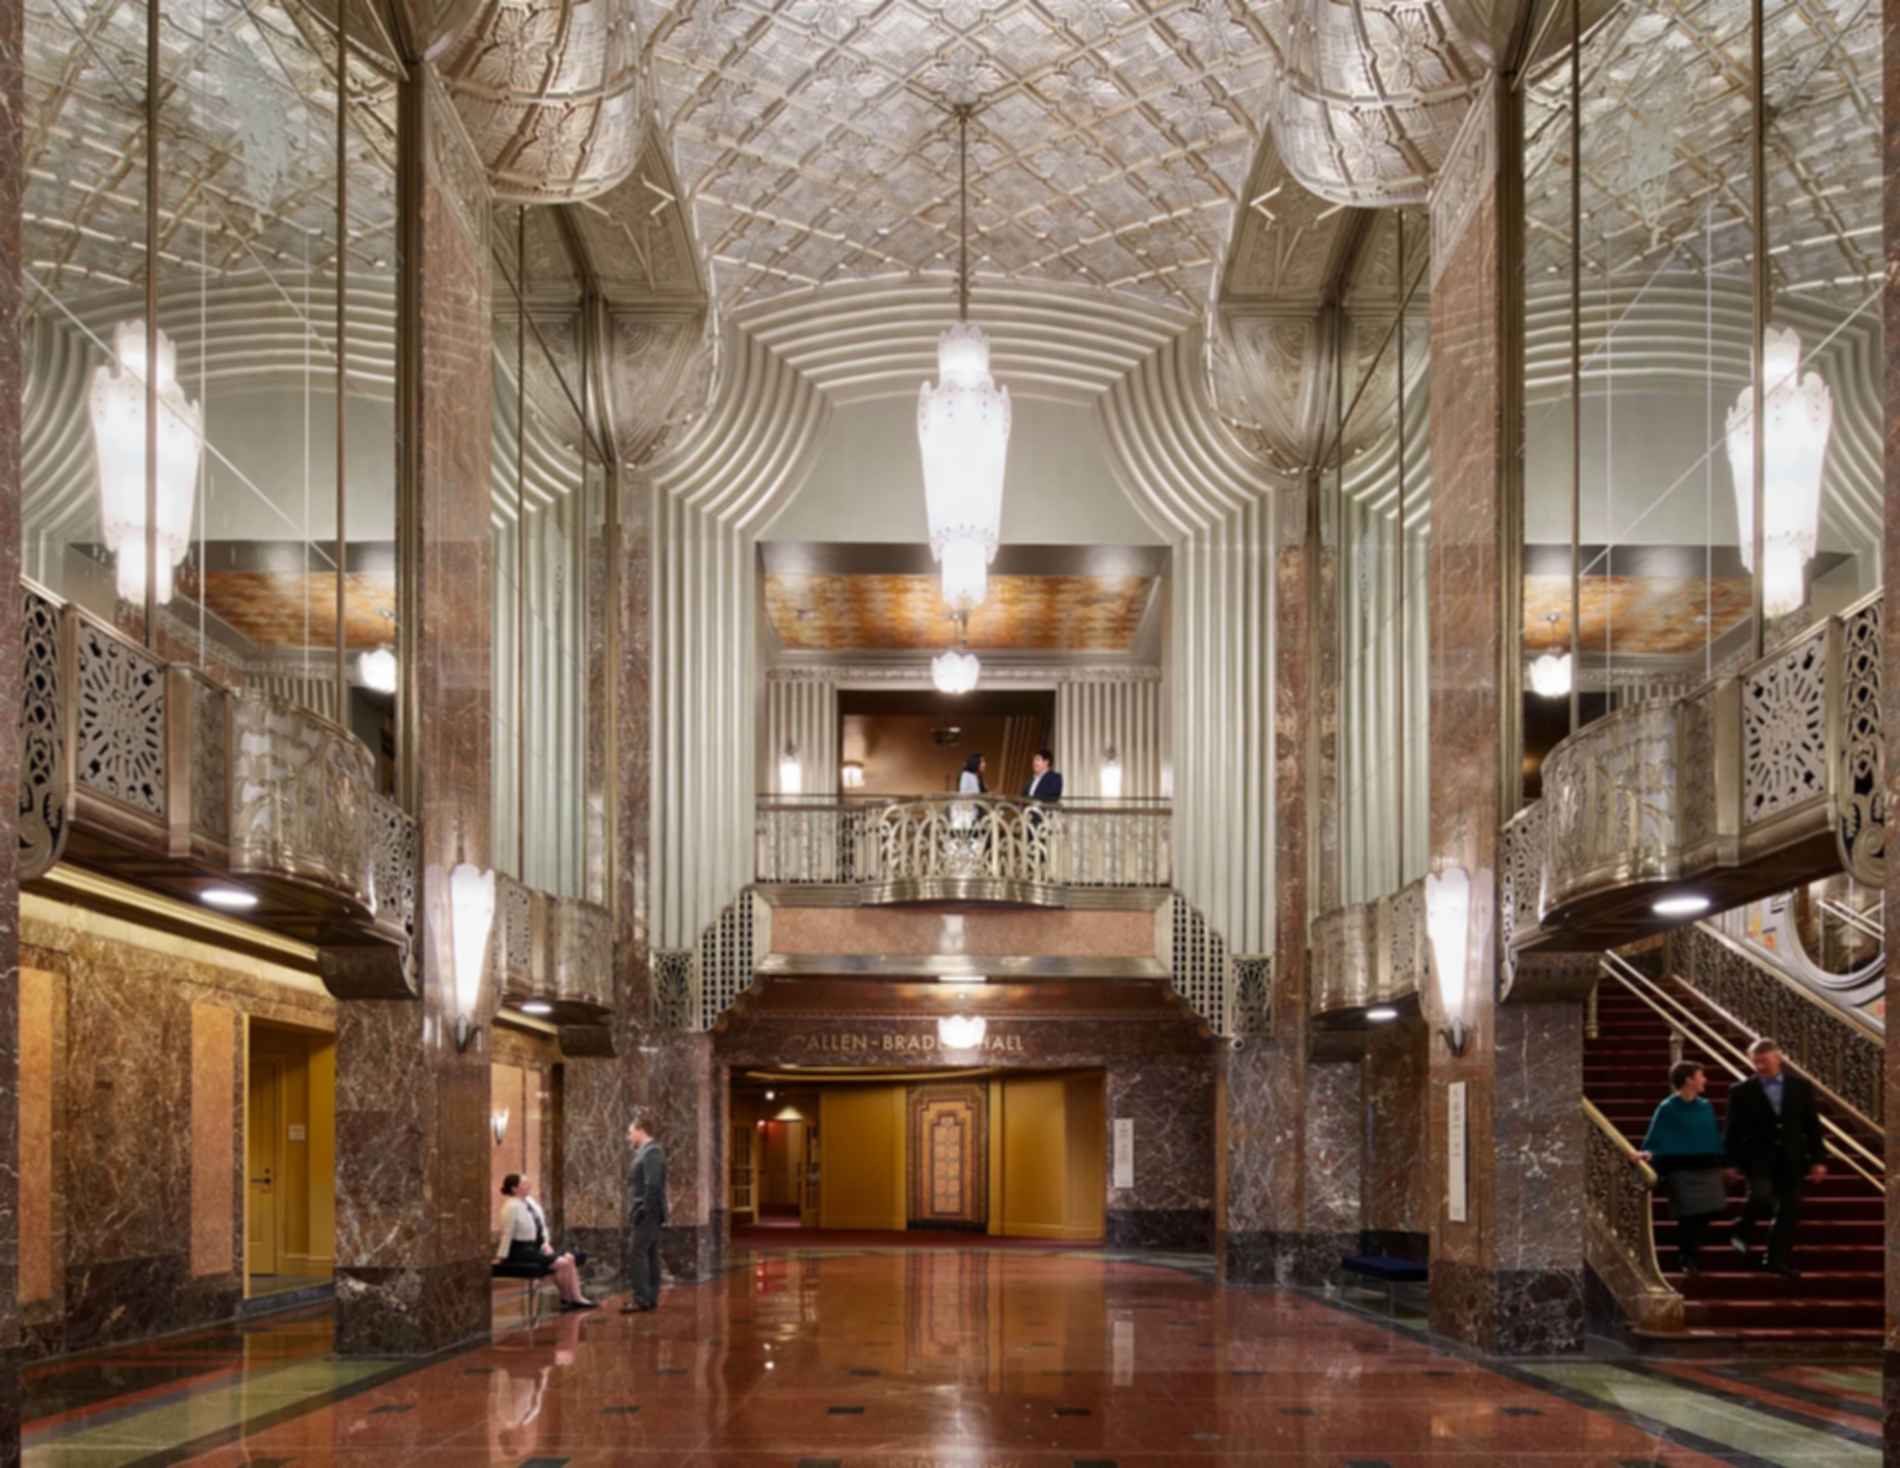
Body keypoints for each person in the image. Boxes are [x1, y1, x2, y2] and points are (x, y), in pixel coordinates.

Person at [1724, 1037, 1826, 1279]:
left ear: (1778, 1058)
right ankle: (1742, 1229)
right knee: (1760, 1196)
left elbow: (1812, 1125)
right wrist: (1730, 1163)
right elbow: (1732, 1130)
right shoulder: (1740, 1091)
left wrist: (1818, 1159)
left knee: (1788, 1211)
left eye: (1764, 1061)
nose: (1760, 1067)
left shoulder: (1800, 1087)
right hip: (1758, 1159)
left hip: (1792, 1159)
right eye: (1755, 1062)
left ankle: (1774, 1260)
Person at [1637, 1061, 1728, 1276]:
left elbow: (1712, 1136)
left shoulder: (1706, 1106)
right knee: (1687, 1216)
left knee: (1713, 1208)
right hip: (1680, 1169)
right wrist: (1648, 1155)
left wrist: (1723, 1163)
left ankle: (1691, 1250)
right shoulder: (1667, 1107)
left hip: (1706, 1167)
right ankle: (1687, 1257)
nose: (1704, 1080)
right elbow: (1655, 1139)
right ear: (1689, 1079)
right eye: (1701, 1075)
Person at [495, 1174, 596, 1309]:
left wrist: (545, 1243)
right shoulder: (511, 1207)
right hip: (520, 1250)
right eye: (524, 1183)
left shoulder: (530, 1202)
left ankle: (570, 1298)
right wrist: (502, 1256)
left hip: (536, 1247)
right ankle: (572, 1298)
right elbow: (507, 1233)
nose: (529, 1185)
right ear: (514, 1189)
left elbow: (541, 1226)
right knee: (562, 1263)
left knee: (569, 1258)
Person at [621, 1113, 668, 1314]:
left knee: (637, 1253)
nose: (628, 1137)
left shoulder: (652, 1152)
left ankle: (642, 1299)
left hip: (648, 1213)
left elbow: (653, 1185)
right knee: (649, 1254)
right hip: (647, 1211)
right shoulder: (646, 1152)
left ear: (641, 1130)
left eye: (631, 1133)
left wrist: (644, 1209)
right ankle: (649, 1298)